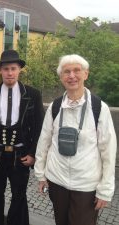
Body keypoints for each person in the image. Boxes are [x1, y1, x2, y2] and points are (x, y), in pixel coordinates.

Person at [34, 54, 117, 225]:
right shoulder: (55, 107)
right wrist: (41, 174)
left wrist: (105, 190)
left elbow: (108, 151)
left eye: (76, 71)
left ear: (86, 74)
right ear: (61, 77)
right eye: (66, 72)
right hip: (57, 181)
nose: (71, 76)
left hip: (86, 186)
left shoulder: (99, 108)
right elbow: (44, 141)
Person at [0, 50, 44, 225]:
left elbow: (39, 127)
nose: (10, 72)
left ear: (19, 69)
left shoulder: (33, 95)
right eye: (6, 68)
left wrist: (33, 153)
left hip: (21, 154)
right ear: (0, 70)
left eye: (13, 68)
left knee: (19, 194)